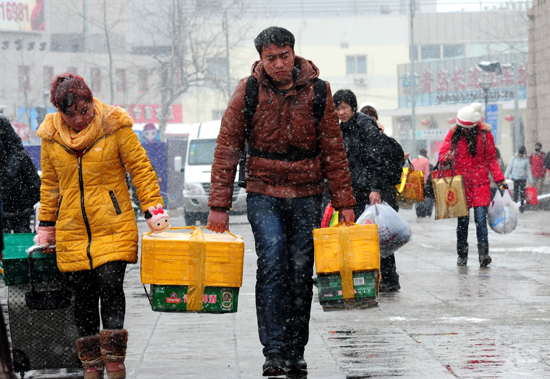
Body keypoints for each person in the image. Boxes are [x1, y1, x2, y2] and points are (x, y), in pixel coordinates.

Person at [207, 27, 356, 377]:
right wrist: (219, 205)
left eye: (284, 55)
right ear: (261, 59)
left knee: (301, 270)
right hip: (264, 192)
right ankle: (273, 350)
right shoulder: (249, 91)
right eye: (270, 57)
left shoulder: (319, 91)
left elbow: (334, 151)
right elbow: (227, 147)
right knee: (273, 261)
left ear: (294, 53)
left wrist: (344, 201)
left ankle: (295, 350)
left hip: (306, 194)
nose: (278, 63)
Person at [34, 73, 168, 379]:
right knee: (82, 295)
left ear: (92, 101)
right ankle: (91, 365)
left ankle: (115, 361)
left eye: (86, 110)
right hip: (72, 230)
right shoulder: (51, 136)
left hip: (113, 222)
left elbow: (141, 169)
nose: (82, 119)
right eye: (73, 114)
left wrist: (154, 210)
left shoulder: (114, 124)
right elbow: (50, 186)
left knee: (109, 284)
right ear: (60, 113)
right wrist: (47, 225)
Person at [333, 89, 404, 292]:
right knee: (364, 233)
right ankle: (369, 277)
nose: (340, 112)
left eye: (344, 108)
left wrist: (375, 188)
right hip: (356, 188)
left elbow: (376, 159)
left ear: (353, 107)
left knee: (378, 233)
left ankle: (389, 278)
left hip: (370, 188)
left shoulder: (364, 125)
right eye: (337, 109)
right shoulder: (344, 128)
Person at [440, 103, 505, 267]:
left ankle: (484, 254)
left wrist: (501, 183)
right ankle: (462, 255)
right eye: (463, 128)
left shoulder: (485, 136)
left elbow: (492, 160)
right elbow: (442, 155)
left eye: (467, 128)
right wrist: (446, 158)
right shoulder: (454, 133)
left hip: (480, 184)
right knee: (462, 223)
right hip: (460, 186)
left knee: (481, 220)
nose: (465, 131)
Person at [0, 114, 40, 233]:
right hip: (9, 189)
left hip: (17, 192)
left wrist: (7, 175)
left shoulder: (2, 123)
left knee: (20, 231)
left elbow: (16, 149)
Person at [505, 145, 533, 212]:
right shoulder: (513, 158)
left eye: (522, 154)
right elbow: (510, 167)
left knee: (522, 193)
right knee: (515, 193)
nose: (521, 155)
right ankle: (515, 205)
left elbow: (528, 170)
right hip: (515, 178)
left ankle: (521, 206)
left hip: (522, 178)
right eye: (520, 154)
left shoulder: (526, 160)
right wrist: (505, 176)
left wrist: (531, 181)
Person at [412, 148, 433, 218]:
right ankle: (425, 211)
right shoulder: (426, 161)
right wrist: (427, 181)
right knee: (424, 196)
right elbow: (427, 172)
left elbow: (411, 170)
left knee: (418, 197)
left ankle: (418, 211)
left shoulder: (414, 160)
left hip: (415, 181)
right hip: (423, 181)